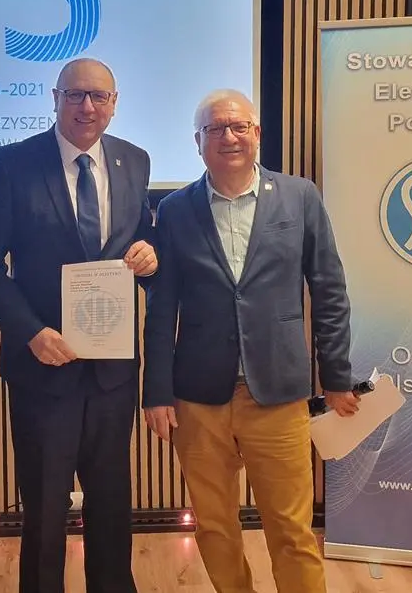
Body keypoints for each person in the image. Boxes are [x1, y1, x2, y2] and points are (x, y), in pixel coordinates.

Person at [140, 88, 358, 593]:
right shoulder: (174, 210)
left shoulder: (299, 196)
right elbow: (161, 307)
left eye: (239, 126)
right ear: (198, 142)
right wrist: (156, 391)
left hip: (278, 394)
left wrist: (337, 376)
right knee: (215, 528)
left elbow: (329, 289)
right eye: (215, 128)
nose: (229, 137)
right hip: (199, 399)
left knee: (292, 531)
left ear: (257, 134)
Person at [0, 58, 157, 593]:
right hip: (43, 368)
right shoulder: (13, 164)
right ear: (55, 98)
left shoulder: (134, 161)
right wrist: (30, 331)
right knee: (46, 510)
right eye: (75, 95)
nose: (86, 107)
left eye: (99, 96)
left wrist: (151, 253)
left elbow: (142, 238)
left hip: (112, 372)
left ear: (114, 103)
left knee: (112, 503)